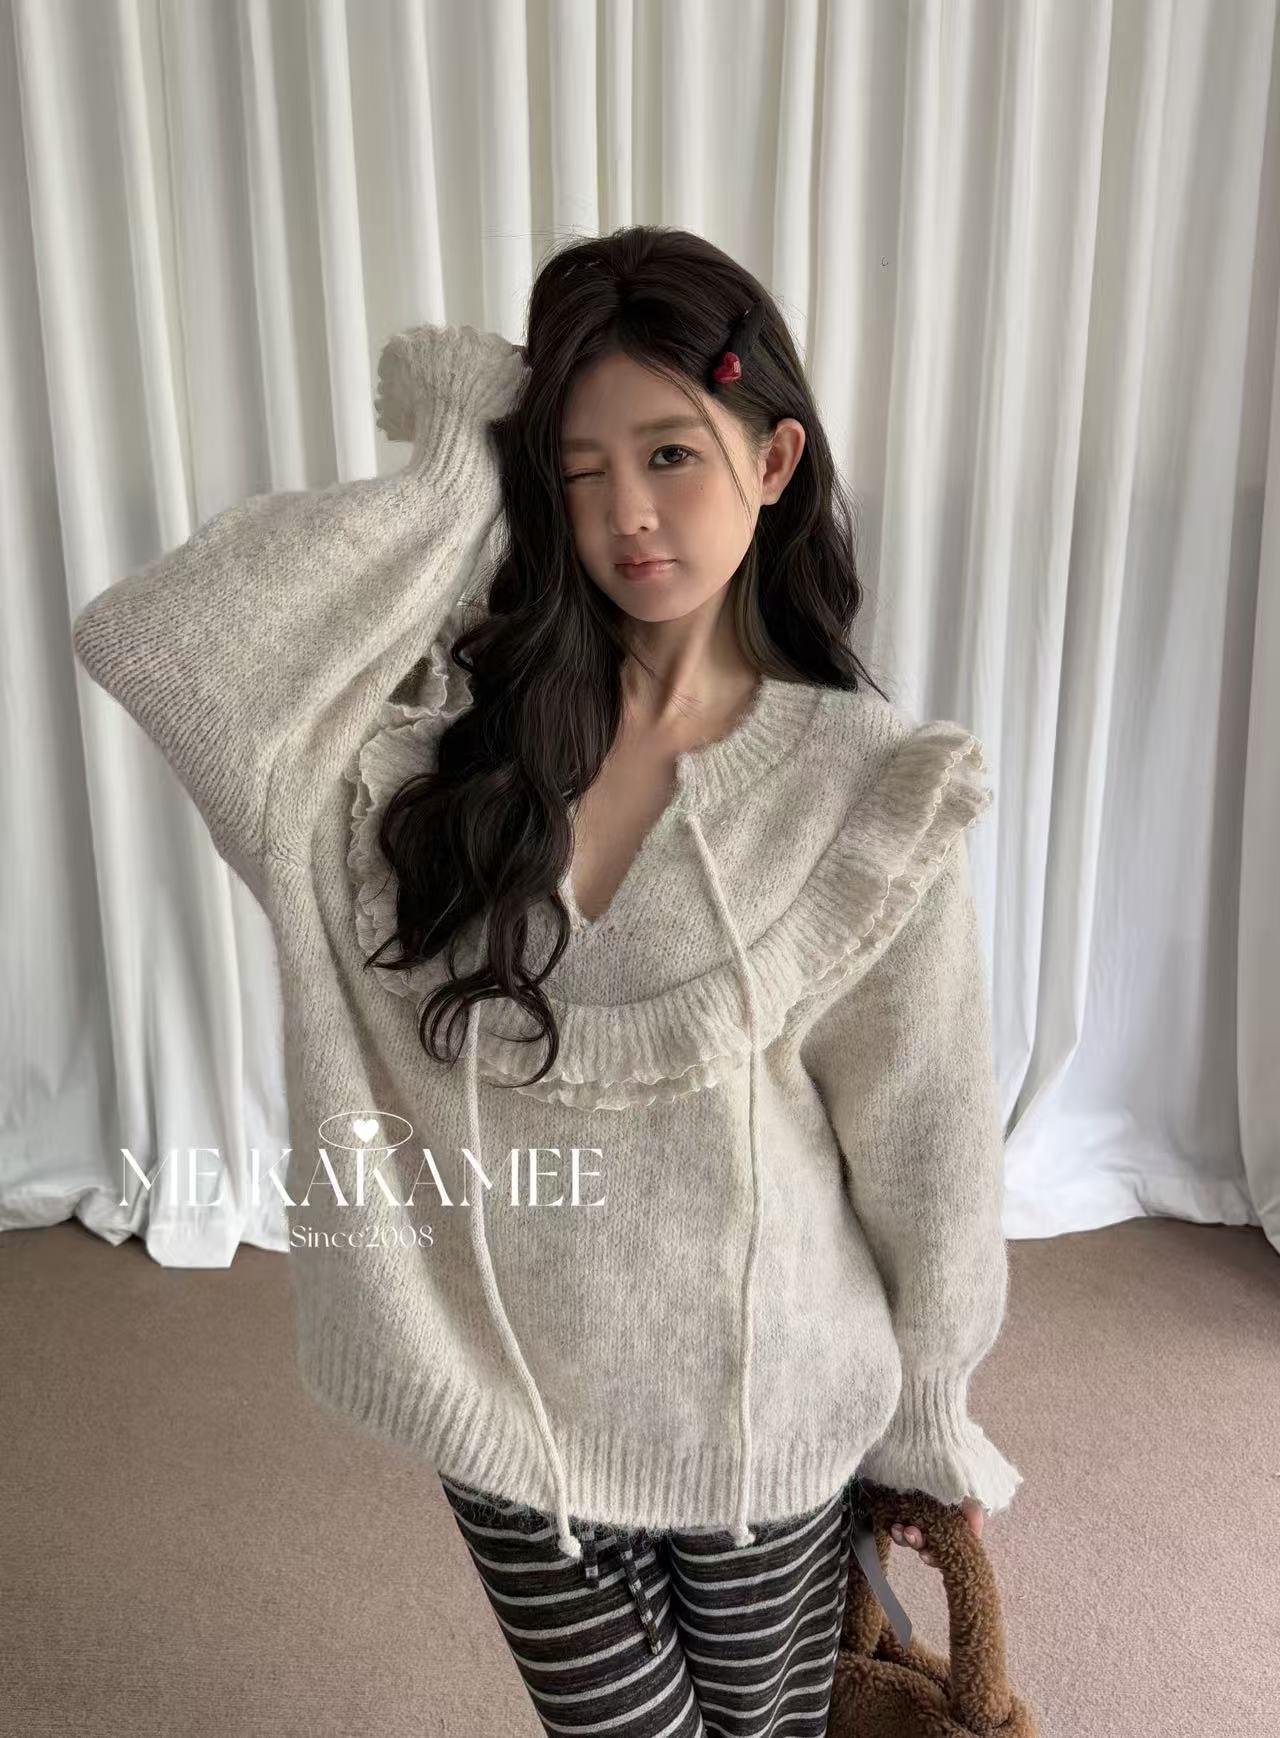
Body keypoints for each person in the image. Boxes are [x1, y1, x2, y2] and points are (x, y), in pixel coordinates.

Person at [71, 224, 1021, 1735]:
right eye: (579, 471)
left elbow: (926, 1146)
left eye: (670, 455)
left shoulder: (866, 788)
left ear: (775, 460)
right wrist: (464, 456)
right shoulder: (434, 747)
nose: (627, 512)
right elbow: (162, 644)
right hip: (510, 1421)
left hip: (768, 1419)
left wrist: (926, 1417)